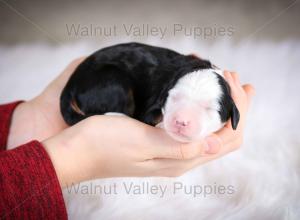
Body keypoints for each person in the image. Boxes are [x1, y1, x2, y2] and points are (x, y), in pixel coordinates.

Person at [0, 57, 254, 219]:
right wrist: (75, 155)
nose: (182, 118)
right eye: (176, 98)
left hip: (97, 79)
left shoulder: (186, 79)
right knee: (127, 94)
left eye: (207, 109)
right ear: (169, 91)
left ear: (232, 116)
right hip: (102, 77)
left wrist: (28, 120)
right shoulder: (165, 89)